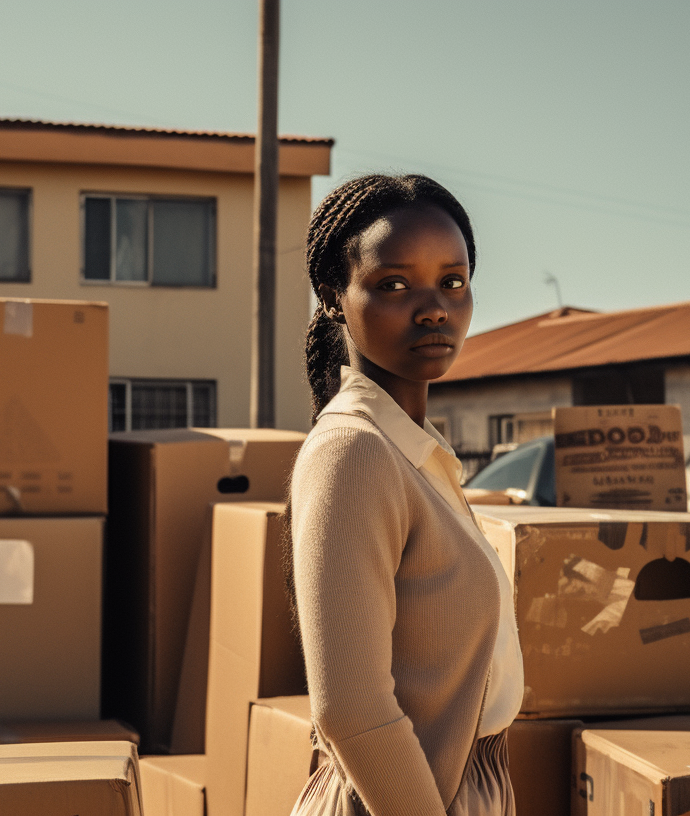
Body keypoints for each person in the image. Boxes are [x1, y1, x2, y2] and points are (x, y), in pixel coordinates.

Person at [288, 174, 524, 816]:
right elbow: (351, 710)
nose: (434, 308)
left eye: (453, 281)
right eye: (394, 284)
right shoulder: (354, 452)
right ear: (335, 299)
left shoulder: (414, 453)